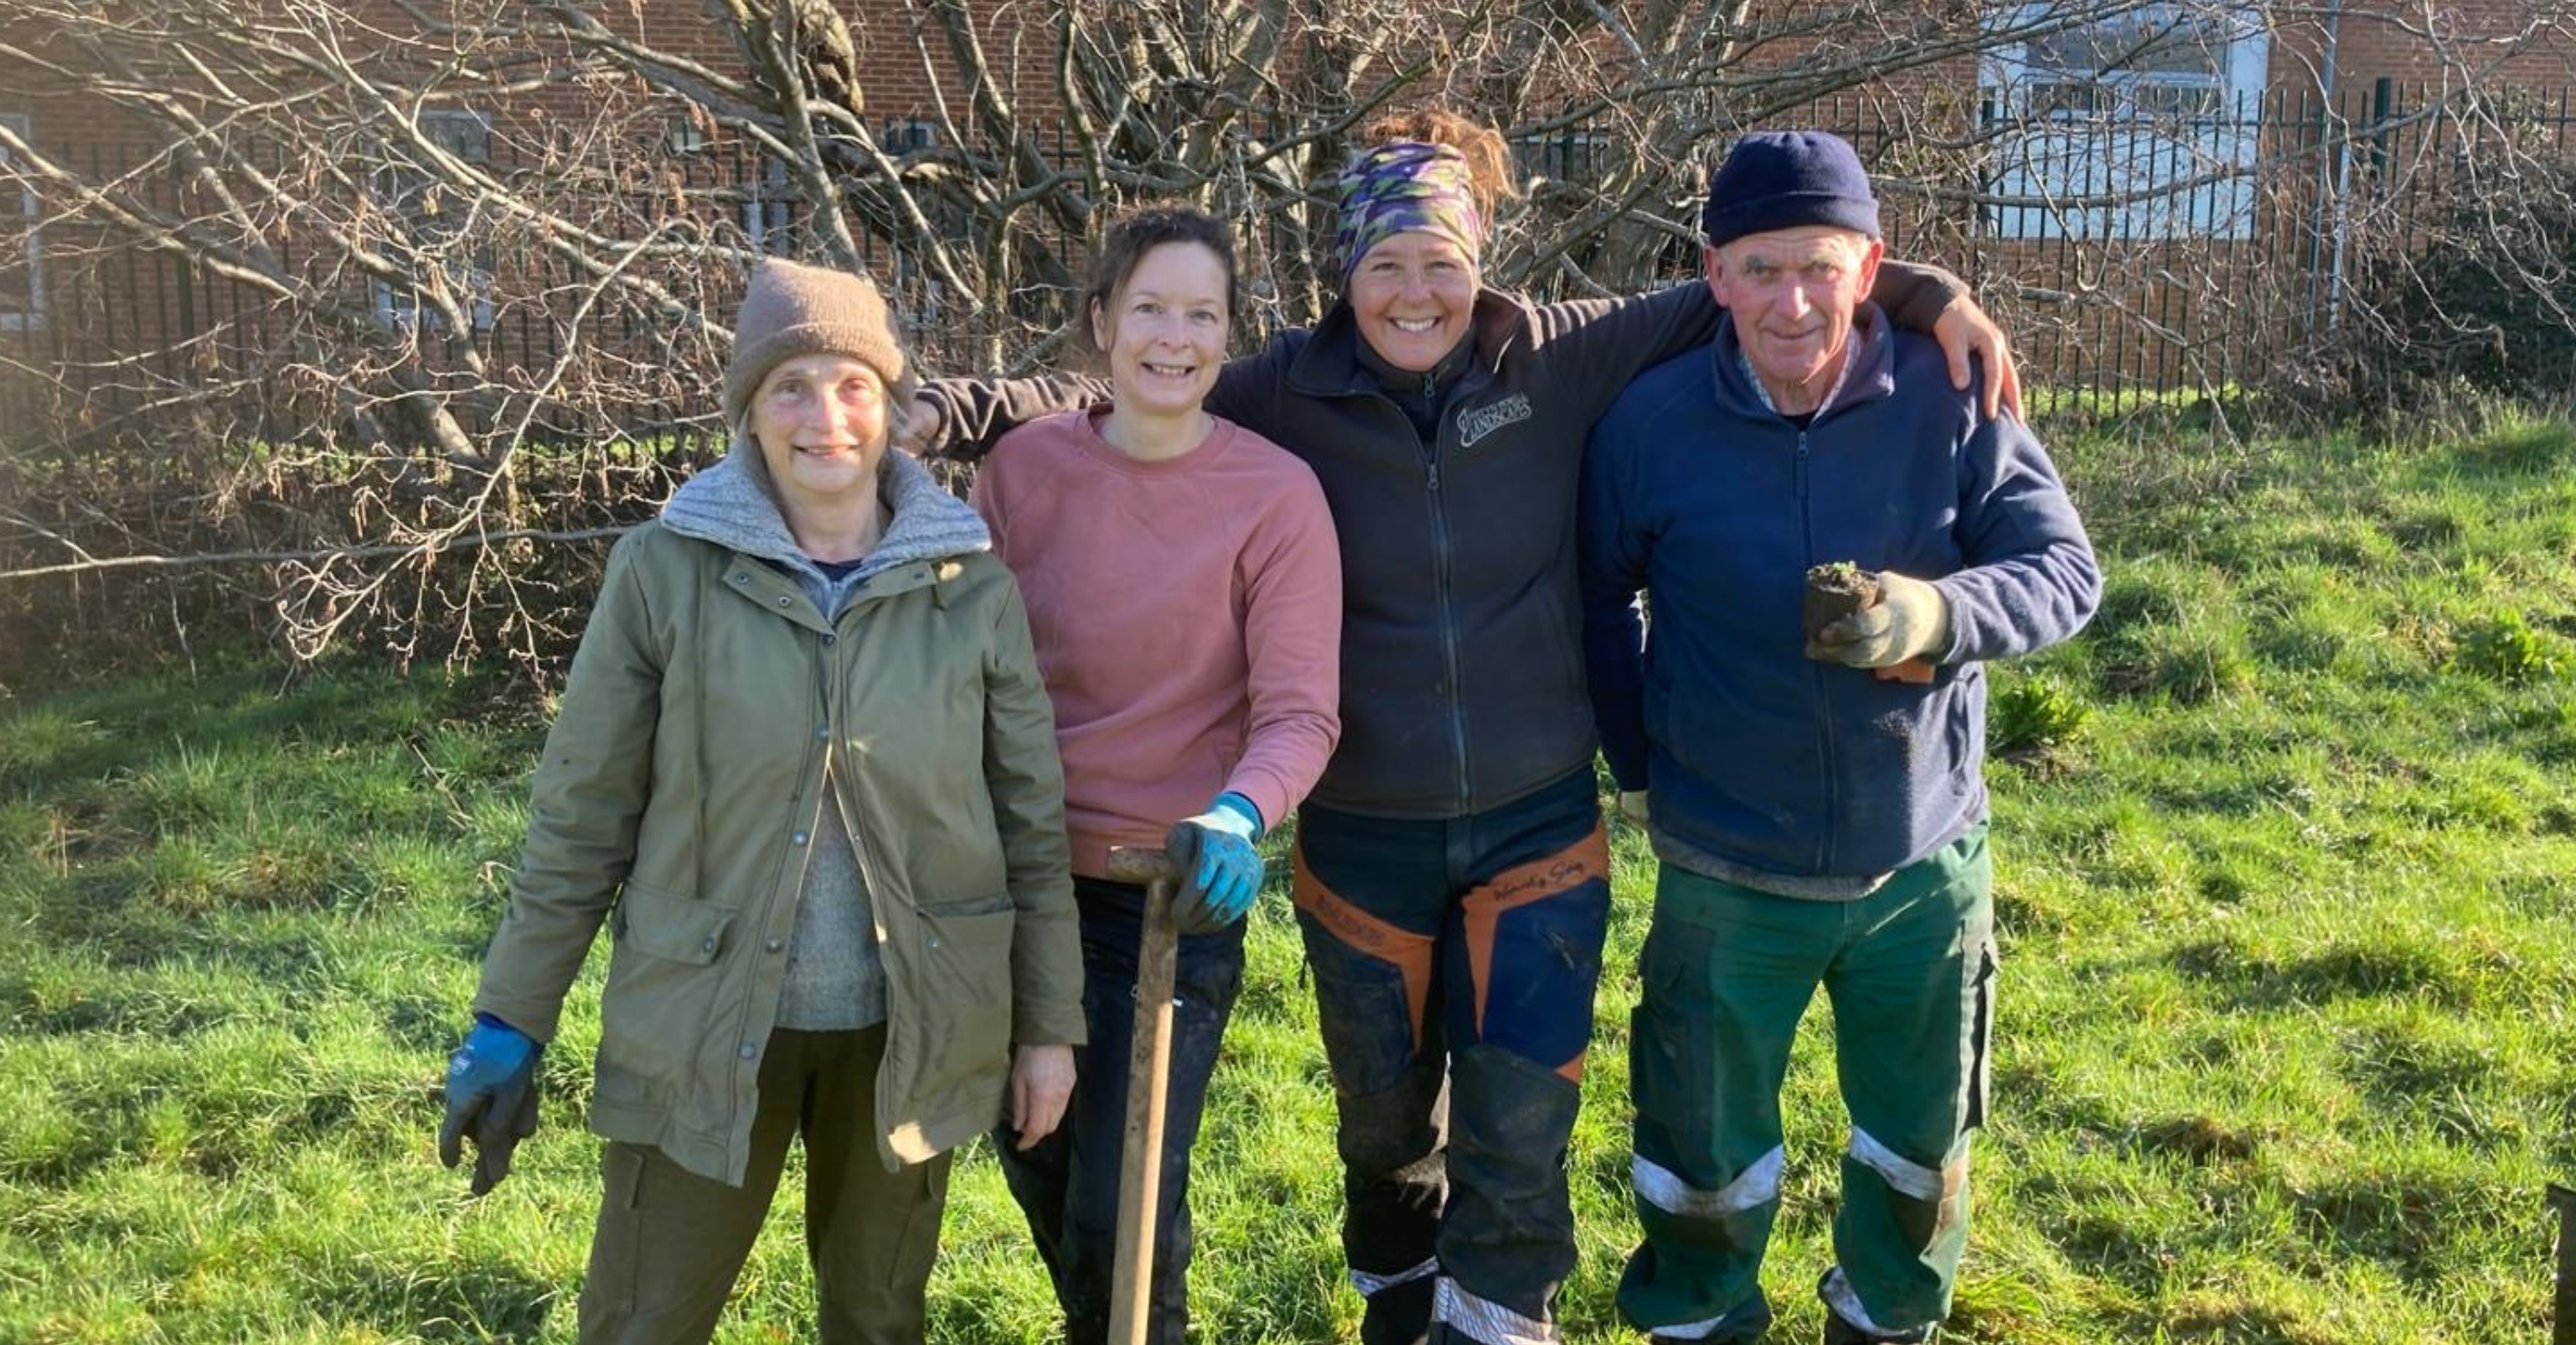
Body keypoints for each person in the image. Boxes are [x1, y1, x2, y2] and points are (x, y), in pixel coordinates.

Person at [906, 108, 2022, 1345]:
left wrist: (1924, 292)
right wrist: (949, 410)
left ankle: (1498, 1318)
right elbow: (1128, 376)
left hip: (1534, 817)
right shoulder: (1284, 388)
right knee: (1385, 1126)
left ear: (1480, 258)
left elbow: (1751, 277)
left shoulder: (1562, 355)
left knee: (1522, 1117)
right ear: (1343, 273)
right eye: (1384, 262)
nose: (1415, 290)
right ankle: (1397, 1296)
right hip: (1363, 834)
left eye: (1441, 258)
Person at [436, 258, 1086, 1345]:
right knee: (642, 1318)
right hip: (700, 1022)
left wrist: (1049, 1027)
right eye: (789, 387)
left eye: (851, 385)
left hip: (909, 1029)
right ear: (747, 408)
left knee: (878, 1321)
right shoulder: (663, 572)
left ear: (891, 406)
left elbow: (1029, 824)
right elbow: (580, 816)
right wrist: (511, 1017)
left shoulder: (968, 590)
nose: (823, 417)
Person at [1578, 131, 2101, 1345]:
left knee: (1918, 1146)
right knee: (1697, 1155)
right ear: (1712, 277)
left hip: (1919, 860)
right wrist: (1641, 765)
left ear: (1869, 265)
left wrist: (1939, 613)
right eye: (1759, 270)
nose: (1791, 300)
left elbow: (2065, 572)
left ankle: (1884, 1321)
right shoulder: (1649, 422)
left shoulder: (1949, 396)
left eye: (1818, 265)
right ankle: (1704, 1321)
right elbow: (1597, 600)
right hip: (1723, 866)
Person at [972, 204, 1343, 1345]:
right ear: (1099, 323)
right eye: (1148, 309)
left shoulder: (1274, 496)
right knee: (1036, 1158)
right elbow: (958, 659)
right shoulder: (1025, 470)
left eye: (1202, 314)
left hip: (1166, 897)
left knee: (1122, 1217)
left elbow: (1298, 713)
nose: (1173, 339)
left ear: (1229, 335)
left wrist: (1236, 813)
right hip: (1011, 883)